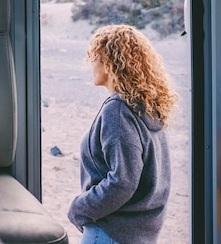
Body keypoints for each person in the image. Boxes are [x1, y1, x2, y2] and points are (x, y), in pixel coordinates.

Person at [68, 24, 178, 244]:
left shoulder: (118, 111)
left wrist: (79, 209)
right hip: (139, 235)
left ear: (109, 63)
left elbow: (123, 182)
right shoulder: (147, 107)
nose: (91, 65)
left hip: (110, 233)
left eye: (95, 58)